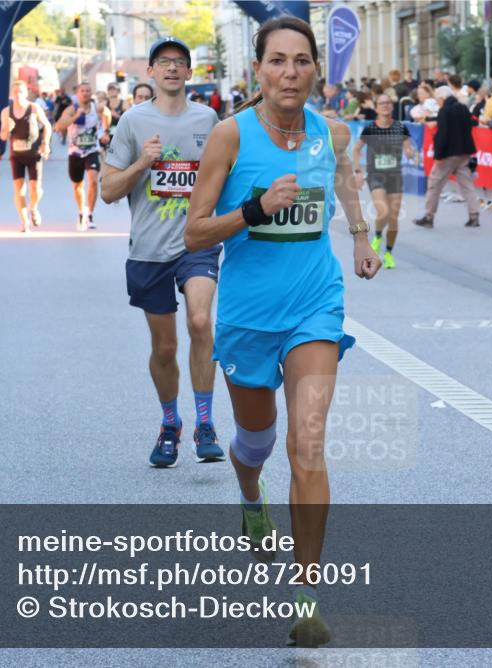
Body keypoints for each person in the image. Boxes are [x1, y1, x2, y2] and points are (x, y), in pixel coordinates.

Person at [184, 14, 381, 647]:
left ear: (316, 68)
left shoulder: (335, 132)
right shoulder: (229, 137)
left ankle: (306, 596)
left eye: (301, 60)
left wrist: (360, 237)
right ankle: (249, 495)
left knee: (310, 444)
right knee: (257, 442)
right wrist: (254, 209)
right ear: (259, 69)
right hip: (246, 316)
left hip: (313, 305)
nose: (290, 72)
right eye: (277, 60)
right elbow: (194, 232)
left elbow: (346, 180)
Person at [100, 36, 224, 468]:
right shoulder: (132, 122)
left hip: (196, 242)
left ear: (190, 73)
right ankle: (170, 423)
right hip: (149, 249)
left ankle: (205, 423)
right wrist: (142, 164)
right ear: (149, 72)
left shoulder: (209, 120)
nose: (172, 68)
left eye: (180, 62)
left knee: (199, 319)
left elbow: (228, 175)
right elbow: (108, 192)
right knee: (166, 347)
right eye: (163, 62)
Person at [352, 93, 416, 269]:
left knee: (394, 218)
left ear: (392, 106)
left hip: (395, 175)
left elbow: (408, 148)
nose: (385, 106)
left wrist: (411, 153)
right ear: (376, 107)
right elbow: (356, 150)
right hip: (376, 175)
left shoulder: (400, 127)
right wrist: (357, 171)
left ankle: (388, 253)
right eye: (381, 103)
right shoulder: (370, 129)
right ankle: (378, 236)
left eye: (388, 103)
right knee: (383, 211)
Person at [413, 86, 480, 229]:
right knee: (467, 185)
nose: (438, 102)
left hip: (448, 154)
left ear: (442, 98)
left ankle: (429, 216)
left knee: (434, 184)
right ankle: (474, 216)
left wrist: (438, 154)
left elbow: (443, 134)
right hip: (464, 152)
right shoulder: (462, 108)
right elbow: (472, 122)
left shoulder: (445, 111)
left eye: (438, 99)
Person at [56, 82, 111, 230]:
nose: (85, 93)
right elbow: (59, 126)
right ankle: (82, 211)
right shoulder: (71, 109)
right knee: (77, 186)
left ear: (91, 93)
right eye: (82, 91)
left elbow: (107, 113)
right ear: (77, 94)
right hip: (75, 152)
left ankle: (91, 215)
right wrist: (76, 116)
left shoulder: (96, 107)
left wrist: (105, 131)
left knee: (93, 180)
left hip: (92, 150)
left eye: (88, 90)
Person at [0, 79, 52, 232]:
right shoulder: (6, 112)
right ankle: (24, 223)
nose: (17, 95)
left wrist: (45, 143)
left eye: (20, 91)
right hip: (16, 155)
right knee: (19, 190)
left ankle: (33, 207)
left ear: (26, 93)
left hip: (34, 153)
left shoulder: (34, 108)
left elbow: (47, 126)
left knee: (36, 189)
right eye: (14, 92)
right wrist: (6, 129)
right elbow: (3, 137)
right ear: (11, 94)